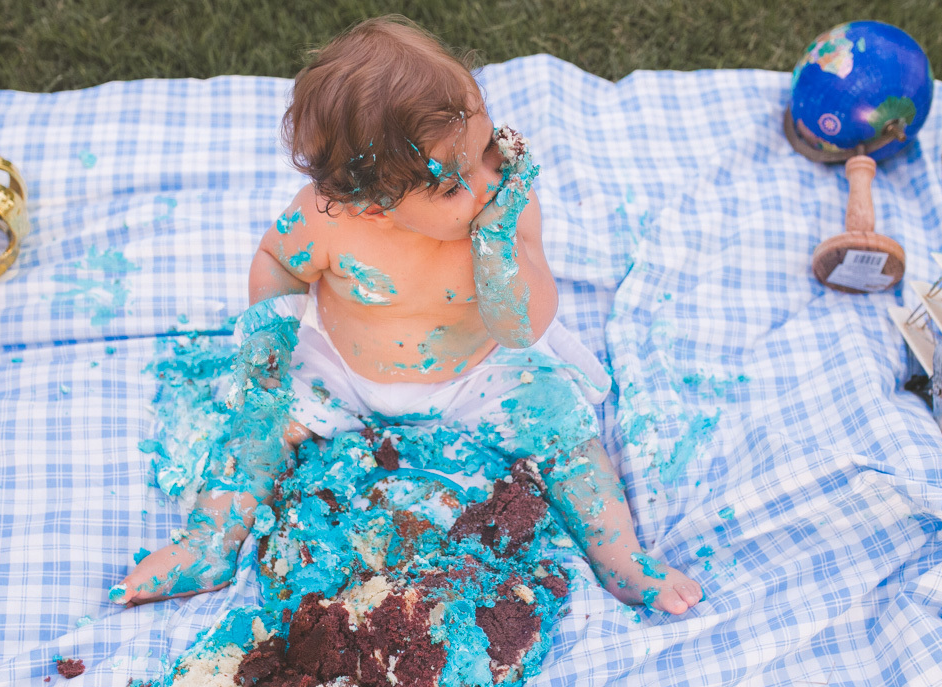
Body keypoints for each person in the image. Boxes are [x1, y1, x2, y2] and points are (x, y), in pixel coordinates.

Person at [113, 15, 703, 615]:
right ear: (369, 206)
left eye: (487, 152)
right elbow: (278, 260)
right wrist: (271, 339)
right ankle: (207, 544)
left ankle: (621, 556)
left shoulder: (506, 213)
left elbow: (522, 328)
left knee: (566, 434)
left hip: (482, 369)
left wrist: (498, 251)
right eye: (453, 185)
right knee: (256, 425)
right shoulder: (327, 219)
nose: (483, 186)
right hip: (343, 371)